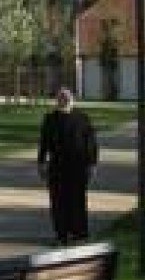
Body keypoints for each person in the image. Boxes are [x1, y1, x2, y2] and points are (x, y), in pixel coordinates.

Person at [37, 88, 99, 246]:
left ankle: (79, 233)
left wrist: (92, 163)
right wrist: (41, 162)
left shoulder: (82, 118)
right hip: (57, 167)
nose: (63, 99)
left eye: (66, 97)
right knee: (58, 202)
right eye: (60, 97)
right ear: (57, 100)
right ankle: (61, 235)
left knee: (77, 200)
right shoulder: (50, 119)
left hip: (78, 167)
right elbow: (44, 142)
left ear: (72, 99)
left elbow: (91, 143)